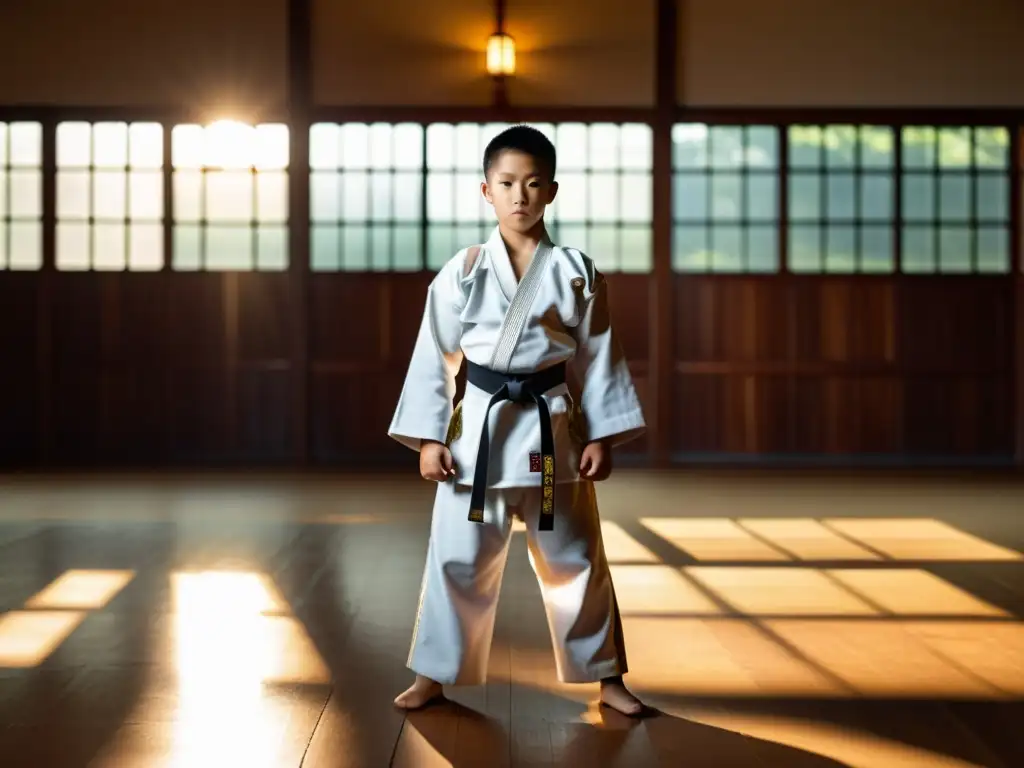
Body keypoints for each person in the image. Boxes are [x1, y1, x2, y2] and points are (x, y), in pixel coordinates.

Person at [387, 124, 647, 716]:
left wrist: (603, 436)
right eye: (507, 183)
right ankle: (433, 674)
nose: (520, 196)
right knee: (456, 559)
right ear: (487, 191)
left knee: (576, 561)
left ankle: (607, 678)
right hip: (477, 435)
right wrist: (429, 438)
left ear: (552, 191)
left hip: (551, 431)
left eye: (533, 184)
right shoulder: (465, 269)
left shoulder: (576, 270)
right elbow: (435, 353)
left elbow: (602, 356)